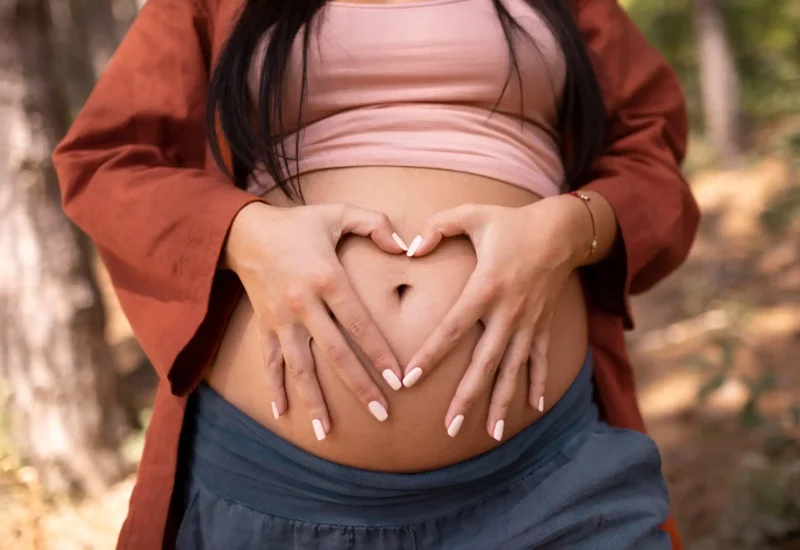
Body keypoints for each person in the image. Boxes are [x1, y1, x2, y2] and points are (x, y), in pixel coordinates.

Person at [53, 0, 700, 548]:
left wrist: (568, 229)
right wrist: (246, 233)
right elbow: (107, 162)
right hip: (276, 490)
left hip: (549, 477)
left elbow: (651, 157)